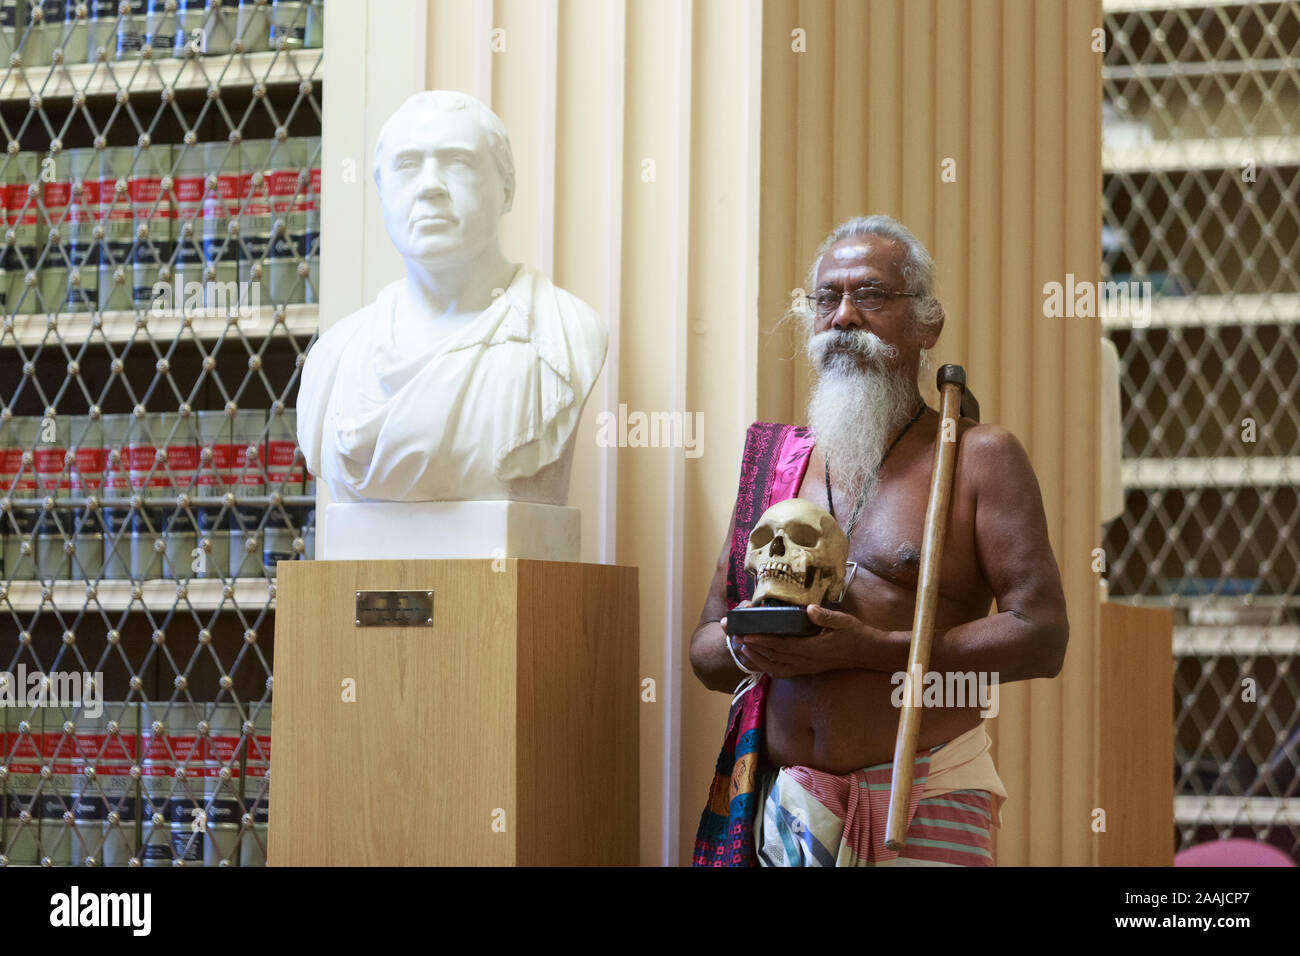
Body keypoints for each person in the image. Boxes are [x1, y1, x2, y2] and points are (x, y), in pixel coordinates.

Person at [690, 214, 1069, 867]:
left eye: (870, 296)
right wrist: (755, 646)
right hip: (789, 805)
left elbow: (1042, 635)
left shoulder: (980, 458)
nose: (843, 317)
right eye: (826, 299)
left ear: (927, 324)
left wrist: (876, 651)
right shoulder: (777, 465)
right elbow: (704, 652)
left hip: (925, 793)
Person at [297, 90, 607, 505]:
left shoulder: (564, 333)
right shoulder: (336, 356)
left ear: (507, 190)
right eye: (407, 165)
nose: (429, 187)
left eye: (457, 161)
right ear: (382, 190)